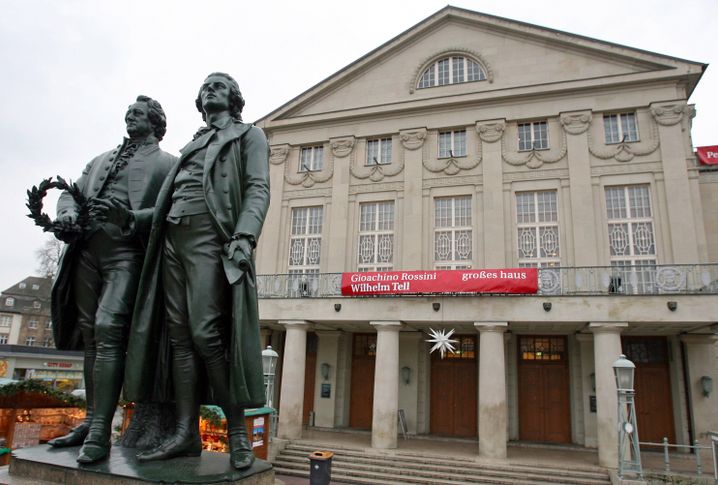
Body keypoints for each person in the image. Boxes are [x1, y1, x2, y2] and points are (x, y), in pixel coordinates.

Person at [124, 72, 270, 470]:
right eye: (205, 86)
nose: (210, 90)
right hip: (171, 238)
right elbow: (168, 200)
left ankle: (237, 433)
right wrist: (133, 219)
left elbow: (258, 187)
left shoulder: (248, 135)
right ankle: (186, 431)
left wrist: (245, 234)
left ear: (235, 98)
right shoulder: (192, 143)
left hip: (211, 235)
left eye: (219, 86)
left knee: (207, 331)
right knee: (181, 338)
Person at [49, 96, 176, 463]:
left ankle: (103, 429)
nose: (129, 116)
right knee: (91, 335)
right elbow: (69, 193)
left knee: (108, 329)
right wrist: (68, 214)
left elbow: (168, 212)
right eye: (128, 112)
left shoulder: (168, 163)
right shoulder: (100, 159)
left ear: (155, 121)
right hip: (87, 252)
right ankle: (90, 421)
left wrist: (132, 218)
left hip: (127, 254)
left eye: (137, 113)